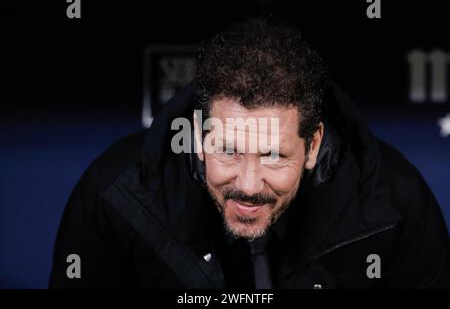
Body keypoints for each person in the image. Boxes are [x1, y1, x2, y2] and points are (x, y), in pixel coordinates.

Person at [49, 18, 450, 288]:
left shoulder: (395, 203)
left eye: (273, 156)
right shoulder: (118, 195)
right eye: (228, 150)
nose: (246, 184)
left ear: (312, 145)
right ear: (197, 135)